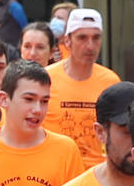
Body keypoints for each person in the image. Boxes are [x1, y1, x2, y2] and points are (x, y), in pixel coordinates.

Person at [45, 9, 120, 167]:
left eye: (96, 38)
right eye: (82, 38)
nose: (90, 46)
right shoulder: (46, 79)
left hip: (97, 172)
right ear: (67, 41)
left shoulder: (111, 82)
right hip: (56, 170)